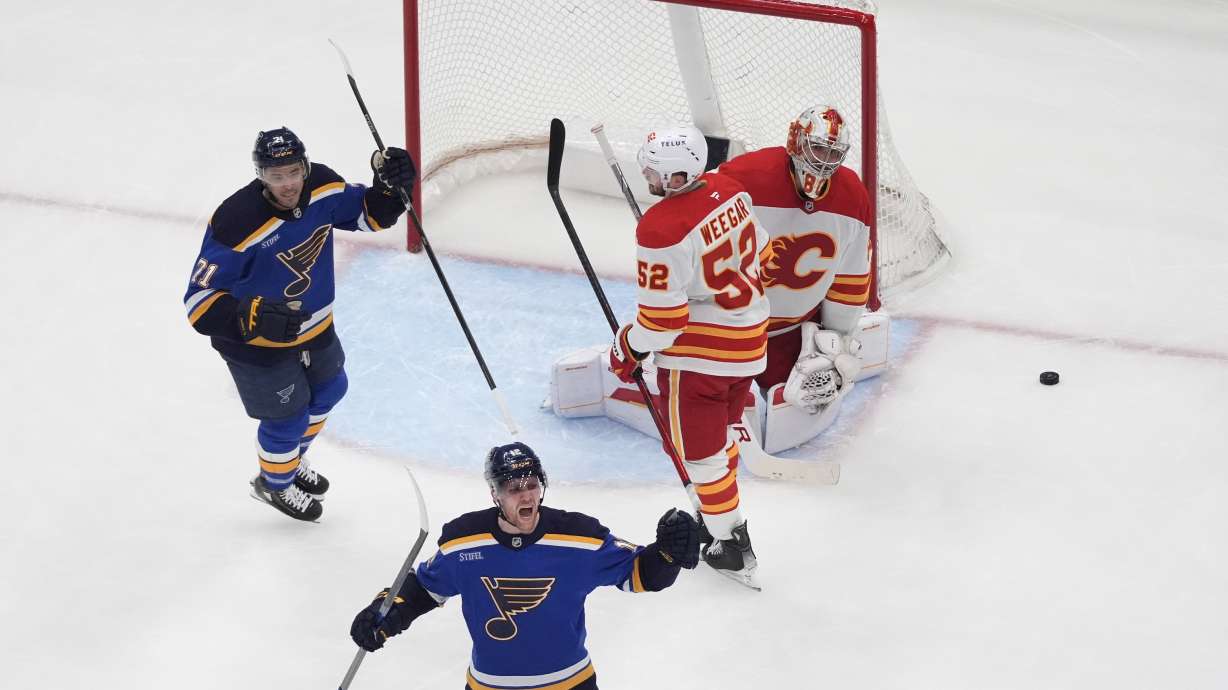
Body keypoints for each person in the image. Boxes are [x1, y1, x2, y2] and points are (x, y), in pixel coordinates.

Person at [183, 127, 416, 521]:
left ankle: (286, 461)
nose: (288, 184)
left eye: (293, 171)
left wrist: (390, 189)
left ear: (305, 166)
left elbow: (368, 215)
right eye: (276, 176)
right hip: (254, 347)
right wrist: (252, 316)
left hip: (315, 328)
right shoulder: (236, 222)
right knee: (287, 418)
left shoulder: (321, 186)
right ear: (260, 175)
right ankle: (274, 484)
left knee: (331, 389)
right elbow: (198, 303)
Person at [349, 442, 700, 690]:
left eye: (532, 485)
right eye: (515, 488)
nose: (527, 495)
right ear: (495, 494)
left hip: (571, 683)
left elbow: (641, 574)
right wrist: (385, 613)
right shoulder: (463, 541)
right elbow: (423, 587)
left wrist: (667, 555)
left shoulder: (580, 538)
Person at [606, 125, 770, 586]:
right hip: (749, 343)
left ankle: (731, 544)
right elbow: (760, 249)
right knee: (718, 442)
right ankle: (719, 512)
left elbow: (662, 324)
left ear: (677, 176)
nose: (647, 175)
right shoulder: (731, 189)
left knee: (699, 456)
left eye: (654, 171)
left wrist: (626, 348)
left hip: (701, 361)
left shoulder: (660, 229)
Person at [717, 105, 873, 442]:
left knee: (800, 398)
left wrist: (835, 340)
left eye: (833, 152)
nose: (823, 161)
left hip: (788, 330)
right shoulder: (745, 177)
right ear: (796, 141)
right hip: (726, 325)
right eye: (817, 147)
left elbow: (850, 279)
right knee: (704, 395)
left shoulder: (852, 196)